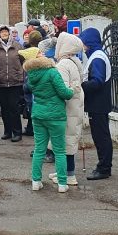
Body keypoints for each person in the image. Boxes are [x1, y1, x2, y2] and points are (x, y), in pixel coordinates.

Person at [23, 45, 75, 193]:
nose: (43, 53)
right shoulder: (52, 72)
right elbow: (64, 93)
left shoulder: (31, 75)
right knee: (59, 151)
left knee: (39, 149)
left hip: (38, 114)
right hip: (55, 115)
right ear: (36, 57)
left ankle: (36, 181)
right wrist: (72, 89)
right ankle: (63, 184)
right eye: (39, 52)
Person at [49, 33, 85, 186]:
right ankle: (62, 171)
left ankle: (68, 175)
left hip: (66, 108)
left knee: (64, 141)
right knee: (69, 139)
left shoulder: (63, 65)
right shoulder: (75, 61)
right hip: (75, 106)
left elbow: (62, 88)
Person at [80, 27, 113, 180]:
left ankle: (104, 168)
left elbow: (97, 82)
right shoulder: (96, 55)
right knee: (100, 136)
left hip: (98, 104)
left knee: (101, 137)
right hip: (98, 103)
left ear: (89, 42)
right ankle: (104, 166)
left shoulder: (98, 58)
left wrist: (81, 85)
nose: (83, 46)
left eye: (84, 42)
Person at [0, 25, 25, 142]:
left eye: (6, 32)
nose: (4, 34)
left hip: (15, 82)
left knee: (14, 108)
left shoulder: (18, 46)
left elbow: (24, 62)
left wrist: (20, 74)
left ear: (9, 33)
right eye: (2, 32)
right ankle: (7, 131)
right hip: (0, 82)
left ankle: (17, 132)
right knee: (4, 108)